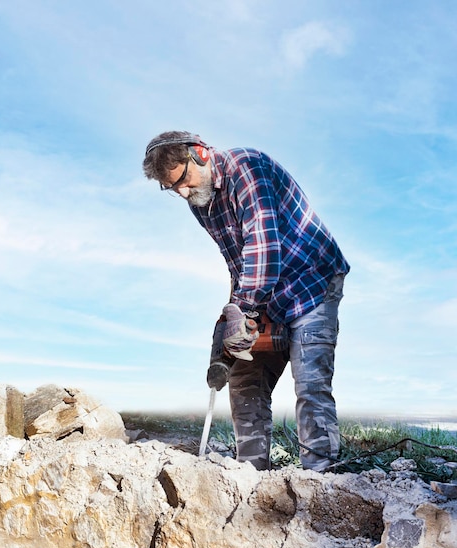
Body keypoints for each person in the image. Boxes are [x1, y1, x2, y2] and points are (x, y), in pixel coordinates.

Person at [143, 131, 350, 472]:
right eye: (171, 187)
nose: (182, 191)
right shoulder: (201, 202)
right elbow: (238, 262)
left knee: (310, 380)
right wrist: (230, 322)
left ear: (201, 154)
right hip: (265, 289)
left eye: (182, 178)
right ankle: (250, 476)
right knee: (243, 379)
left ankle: (321, 479)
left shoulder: (246, 168)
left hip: (311, 280)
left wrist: (245, 310)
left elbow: (262, 247)